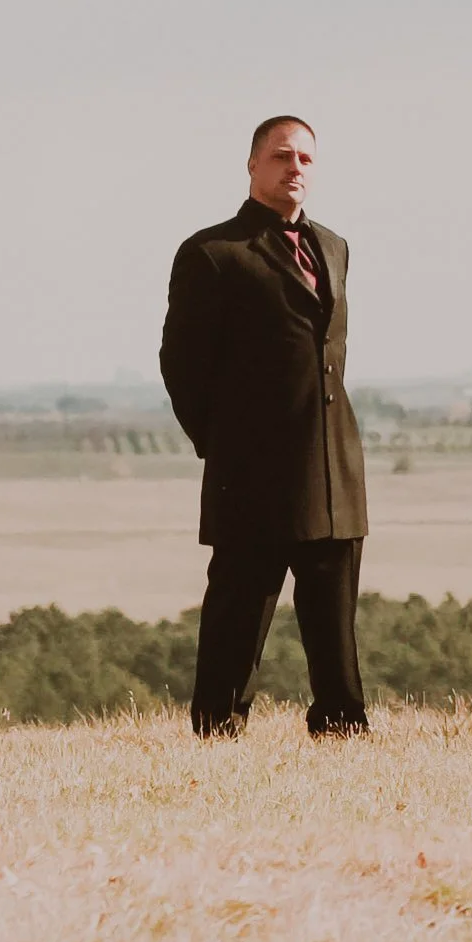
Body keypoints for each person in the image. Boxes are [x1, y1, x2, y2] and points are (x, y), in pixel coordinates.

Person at [160, 116, 370, 737]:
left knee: (334, 614)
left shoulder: (334, 247)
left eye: (306, 158)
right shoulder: (213, 253)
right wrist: (223, 447)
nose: (295, 167)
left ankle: (342, 726)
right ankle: (218, 731)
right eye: (282, 156)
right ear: (252, 165)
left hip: (334, 465)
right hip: (249, 473)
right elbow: (182, 365)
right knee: (240, 608)